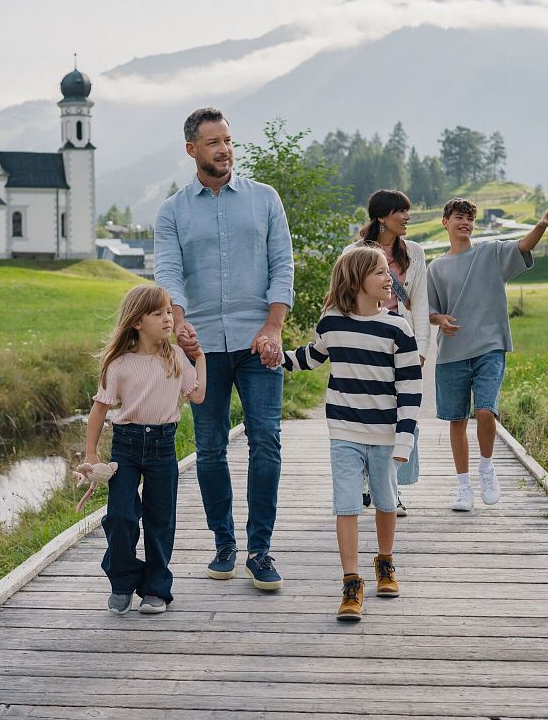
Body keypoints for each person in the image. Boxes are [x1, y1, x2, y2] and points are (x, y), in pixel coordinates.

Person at [154, 107, 294, 591]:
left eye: (228, 140)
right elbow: (168, 272)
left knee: (266, 442)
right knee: (210, 449)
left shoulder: (265, 199)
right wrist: (180, 321)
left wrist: (274, 328)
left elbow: (283, 266)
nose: (224, 149)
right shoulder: (172, 211)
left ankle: (260, 549)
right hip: (202, 348)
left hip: (260, 343)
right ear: (192, 150)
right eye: (213, 142)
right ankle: (224, 544)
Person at [281, 246, 422, 621]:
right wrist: (276, 357)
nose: (388, 278)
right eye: (379, 272)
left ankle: (386, 562)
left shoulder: (398, 327)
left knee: (385, 501)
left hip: (385, 433)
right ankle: (351, 582)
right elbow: (310, 356)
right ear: (357, 279)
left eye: (387, 272)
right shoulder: (331, 322)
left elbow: (411, 388)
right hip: (343, 430)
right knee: (345, 504)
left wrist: (405, 439)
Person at [428, 198, 548, 512]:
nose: (465, 223)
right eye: (459, 217)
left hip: (490, 346)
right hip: (452, 354)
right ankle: (463, 488)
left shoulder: (490, 252)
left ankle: (486, 468)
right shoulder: (436, 267)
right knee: (456, 421)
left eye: (469, 219)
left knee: (486, 411)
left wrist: (540, 225)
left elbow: (524, 245)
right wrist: (440, 319)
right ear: (445, 222)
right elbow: (430, 310)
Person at [82, 284, 206, 615]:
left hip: (163, 446)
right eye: (159, 313)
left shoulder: (176, 357)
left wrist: (200, 357)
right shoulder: (118, 364)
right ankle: (123, 581)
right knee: (121, 516)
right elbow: (99, 409)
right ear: (137, 321)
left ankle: (155, 590)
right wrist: (91, 454)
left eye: (169, 312)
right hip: (126, 445)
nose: (168, 319)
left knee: (160, 521)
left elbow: (196, 396)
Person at [346, 189, 430, 516]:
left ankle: (391, 490)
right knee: (367, 413)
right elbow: (344, 298)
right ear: (382, 217)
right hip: (366, 343)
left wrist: (421, 348)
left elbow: (419, 303)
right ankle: (366, 482)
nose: (408, 217)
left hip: (402, 341)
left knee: (402, 415)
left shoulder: (416, 253)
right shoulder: (354, 252)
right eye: (402, 212)